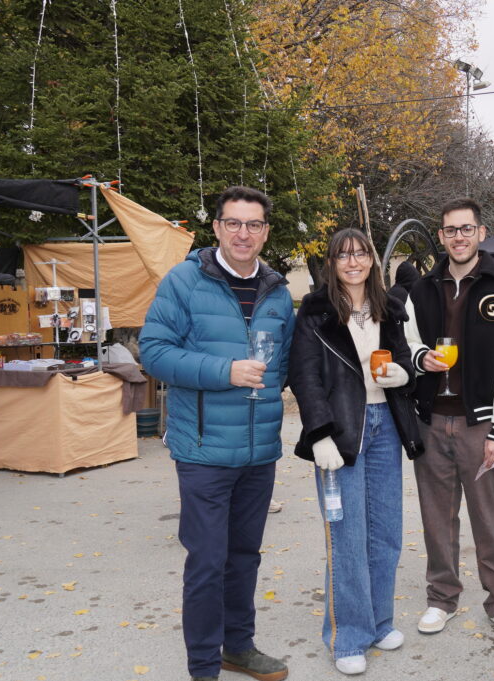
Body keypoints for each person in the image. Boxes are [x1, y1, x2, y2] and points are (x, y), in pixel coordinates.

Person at [140, 186, 292, 681]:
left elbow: (284, 365)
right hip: (204, 450)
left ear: (265, 231)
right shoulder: (184, 281)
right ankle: (204, 667)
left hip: (258, 450)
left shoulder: (278, 290)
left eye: (253, 224)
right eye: (234, 223)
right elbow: (154, 352)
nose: (243, 233)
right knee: (207, 562)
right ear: (217, 228)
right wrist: (225, 371)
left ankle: (239, 647)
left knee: (244, 557)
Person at [289, 228, 424, 675]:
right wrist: (319, 433)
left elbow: (403, 359)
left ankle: (379, 622)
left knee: (385, 532)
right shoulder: (316, 311)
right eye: (344, 255)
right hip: (342, 428)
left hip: (386, 425)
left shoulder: (390, 308)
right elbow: (304, 376)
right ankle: (347, 635)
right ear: (332, 262)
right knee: (347, 536)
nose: (353, 262)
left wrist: (404, 375)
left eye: (361, 253)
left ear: (372, 260)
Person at [404, 197, 494, 640]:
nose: (458, 237)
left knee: (486, 517)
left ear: (481, 232)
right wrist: (421, 358)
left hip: (482, 425)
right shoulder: (421, 288)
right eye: (450, 230)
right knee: (437, 518)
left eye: (466, 229)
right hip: (431, 420)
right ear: (441, 236)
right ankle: (442, 598)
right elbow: (406, 342)